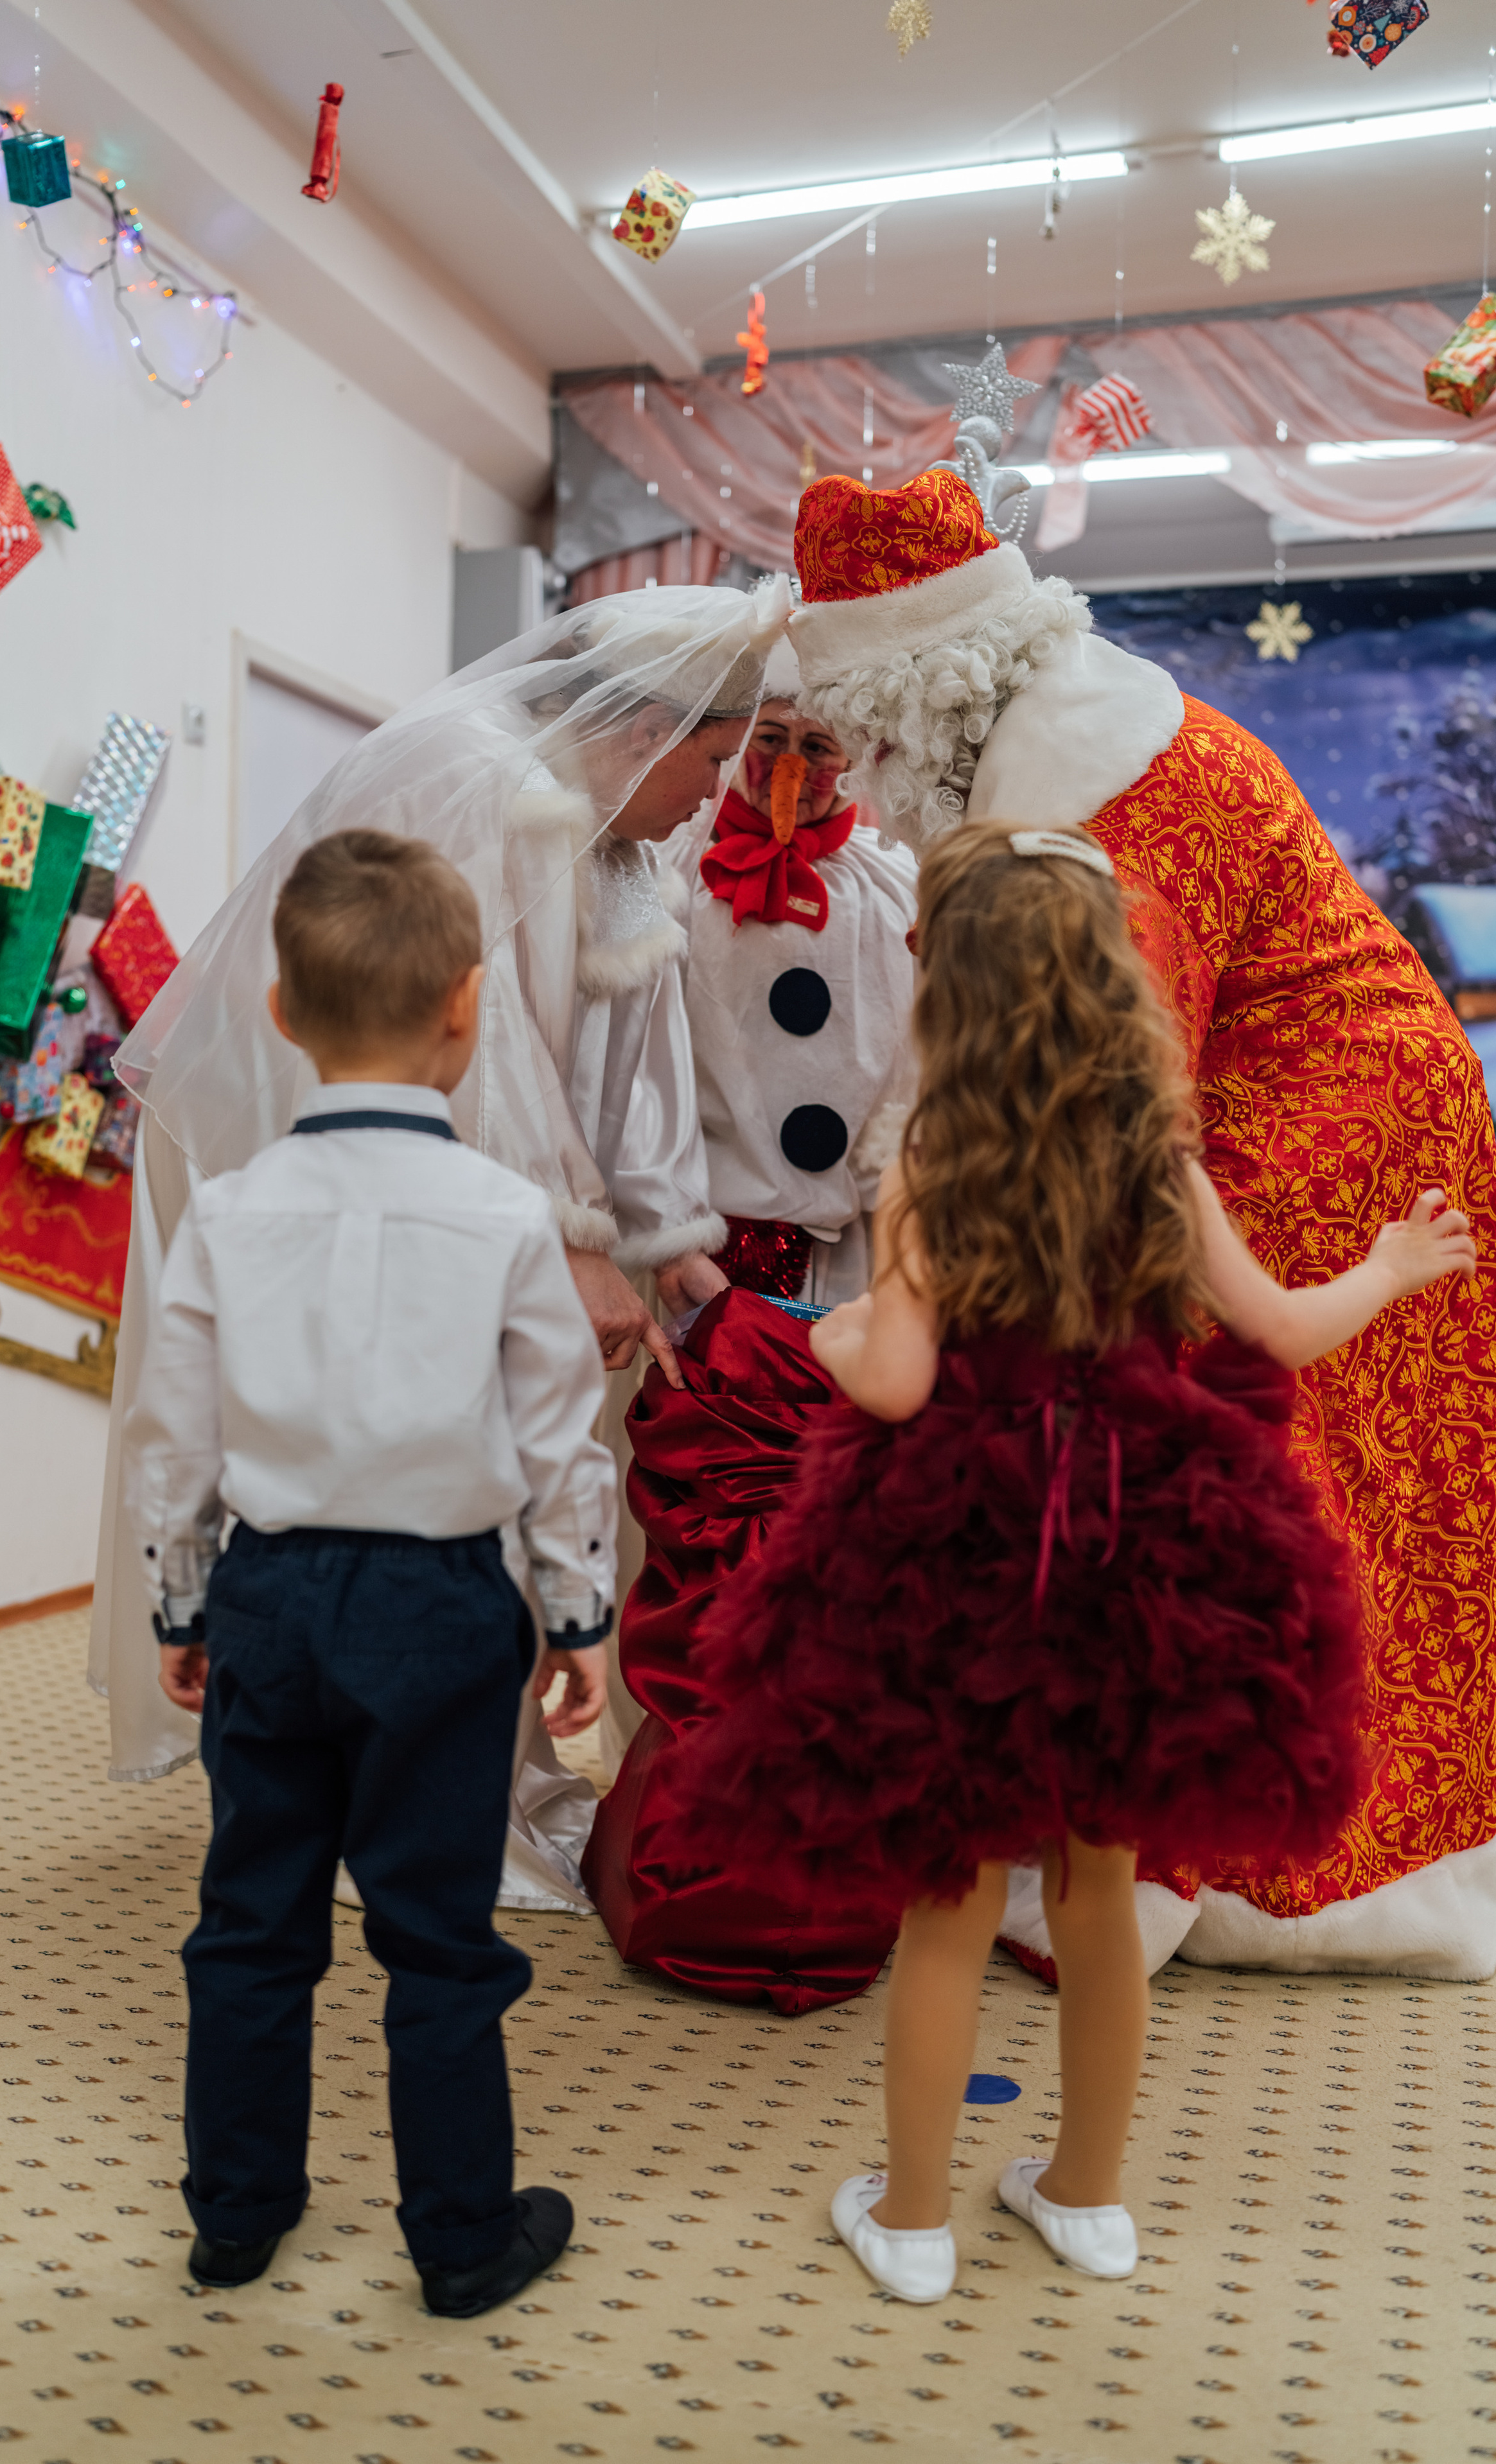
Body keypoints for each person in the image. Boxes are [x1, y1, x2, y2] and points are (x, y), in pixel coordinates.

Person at [657, 821, 1477, 2302]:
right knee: (1100, 1888)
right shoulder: (1159, 1166)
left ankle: (909, 2217)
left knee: (947, 1896)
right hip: (1137, 1548)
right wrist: (1388, 1268)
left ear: (947, 993)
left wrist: (833, 1333)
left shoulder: (933, 1169)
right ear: (1111, 983)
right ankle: (1086, 2194)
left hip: (959, 1561)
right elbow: (1278, 1329)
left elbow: (895, 1376)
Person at [784, 464, 1496, 1984]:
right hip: (1283, 1112)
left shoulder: (1089, 807)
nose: (845, 767)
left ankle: (1194, 1854)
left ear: (917, 688)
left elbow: (1087, 1103)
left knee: (1218, 1471)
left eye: (852, 727)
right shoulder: (1046, 757)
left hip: (1327, 1116)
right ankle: (1134, 1836)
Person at [94, 582, 788, 1912]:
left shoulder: (614, 837)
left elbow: (623, 1060)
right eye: (710, 756)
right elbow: (476, 1045)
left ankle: (508, 1772)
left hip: (462, 1179)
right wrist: (574, 1239)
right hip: (320, 1150)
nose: (715, 793)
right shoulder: (474, 780)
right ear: (640, 723)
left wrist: (662, 1236)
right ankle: (396, 1787)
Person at [124, 830, 617, 2315]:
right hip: (440, 1612)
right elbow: (558, 1442)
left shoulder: (228, 1211)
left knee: (250, 1916)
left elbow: (177, 1434)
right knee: (435, 1931)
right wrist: (578, 1608)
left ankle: (236, 2212)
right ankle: (462, 2235)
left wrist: (182, 1599)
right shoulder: (505, 1217)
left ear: (279, 1010)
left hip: (270, 1596)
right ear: (467, 1008)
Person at [583, 649, 919, 2007]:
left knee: (825, 1573)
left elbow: (905, 1091)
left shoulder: (894, 898)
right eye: (770, 737)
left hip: (841, 1281)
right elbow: (625, 1085)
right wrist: (660, 1239)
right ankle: (661, 1809)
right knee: (667, 1548)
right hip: (696, 1273)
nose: (795, 768)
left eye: (822, 743)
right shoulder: (656, 890)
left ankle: (816, 1838)